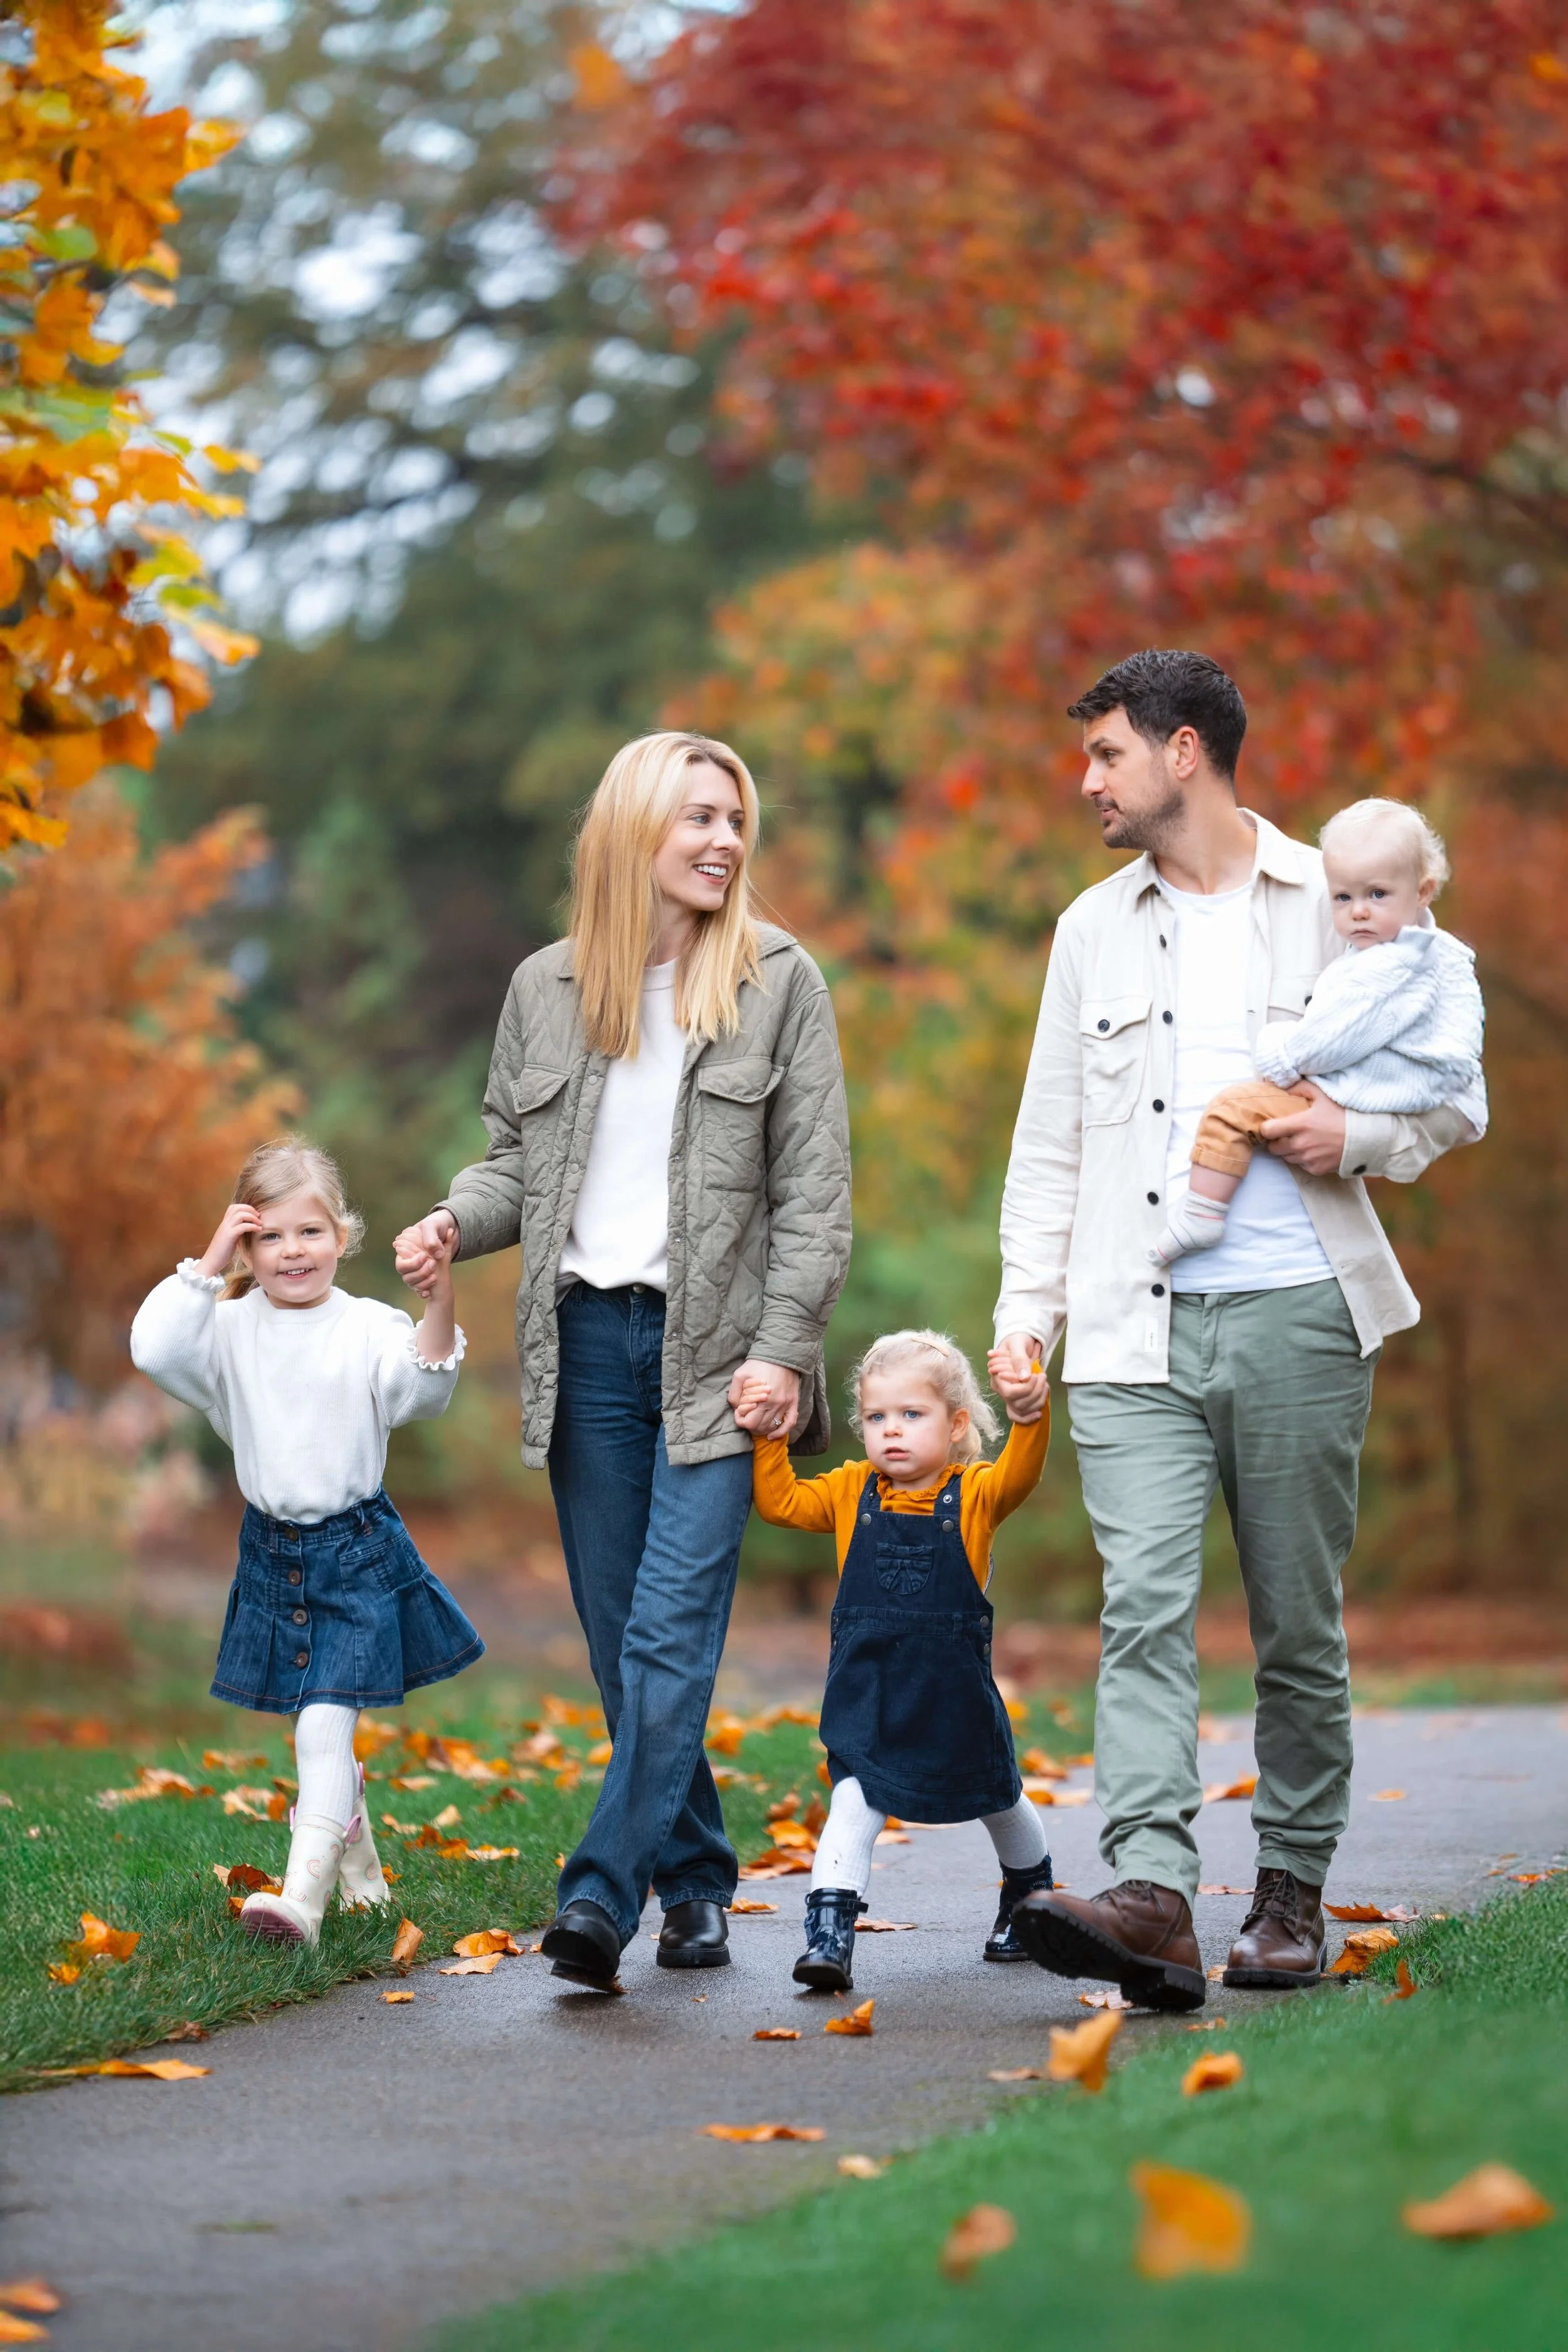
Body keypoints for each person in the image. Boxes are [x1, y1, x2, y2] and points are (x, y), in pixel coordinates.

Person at [991, 650, 1483, 2011]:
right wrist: (1020, 1312)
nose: (1085, 778)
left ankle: (1286, 1891)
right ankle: (1147, 1894)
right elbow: (1049, 1145)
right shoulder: (1090, 927)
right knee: (1138, 1607)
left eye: (1104, 753)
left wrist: (1355, 1132)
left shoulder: (1342, 899)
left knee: (1292, 1621)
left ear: (1184, 749)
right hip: (1126, 1330)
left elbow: (1452, 1094)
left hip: (1296, 1313)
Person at [395, 732, 852, 1989]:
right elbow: (511, 1166)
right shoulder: (547, 987)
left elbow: (815, 1199)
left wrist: (783, 1350)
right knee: (618, 1638)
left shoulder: (778, 979)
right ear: (629, 833)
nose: (721, 840)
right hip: (586, 1346)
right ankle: (699, 1879)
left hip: (718, 1357)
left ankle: (600, 1892)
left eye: (733, 819)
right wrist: (451, 1220)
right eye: (695, 816)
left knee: (668, 1631)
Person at [129, 1137, 479, 1945]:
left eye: (311, 1232)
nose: (293, 1252)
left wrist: (437, 1303)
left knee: (321, 1725)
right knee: (320, 1725)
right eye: (272, 1236)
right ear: (249, 1245)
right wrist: (210, 1257)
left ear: (342, 1235)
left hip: (356, 1551)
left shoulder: (364, 1325)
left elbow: (418, 1391)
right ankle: (364, 1886)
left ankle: (301, 1902)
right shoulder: (224, 1330)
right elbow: (153, 1346)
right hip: (271, 1554)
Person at [749, 1329, 1051, 1992]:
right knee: (855, 1800)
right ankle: (828, 1932)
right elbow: (780, 1504)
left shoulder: (972, 1493)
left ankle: (1030, 1897)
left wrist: (1031, 1414)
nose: (892, 1431)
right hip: (871, 1693)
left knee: (996, 1795)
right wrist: (769, 1439)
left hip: (953, 1693)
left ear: (956, 1423)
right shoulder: (851, 1488)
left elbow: (1021, 1474)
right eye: (878, 1416)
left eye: (912, 1415)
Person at [1152, 797, 1485, 1266]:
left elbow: (1328, 1042)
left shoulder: (1386, 968)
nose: (1359, 913)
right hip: (1374, 1091)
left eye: (1378, 895)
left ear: (1423, 891)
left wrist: (1277, 1050)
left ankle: (1202, 1211)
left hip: (1351, 1094)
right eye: (1343, 898)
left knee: (1230, 1111)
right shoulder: (1433, 953)